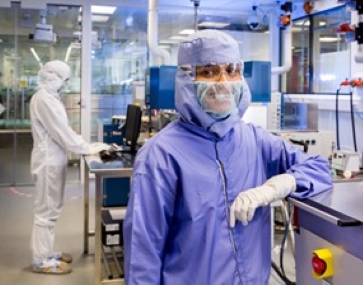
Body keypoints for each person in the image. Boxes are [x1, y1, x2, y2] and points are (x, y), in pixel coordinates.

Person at [123, 30, 332, 284]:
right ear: (188, 77)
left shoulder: (255, 140)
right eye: (209, 72)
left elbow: (319, 168)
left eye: (232, 70)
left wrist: (278, 186)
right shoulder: (160, 156)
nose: (223, 82)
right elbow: (142, 257)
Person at [30, 60, 110, 274]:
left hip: (54, 160)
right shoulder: (44, 100)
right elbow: (63, 134)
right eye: (64, 80)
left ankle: (47, 252)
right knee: (46, 211)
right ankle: (40, 260)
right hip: (48, 162)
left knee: (52, 209)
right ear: (53, 77)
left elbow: (64, 130)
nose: (65, 85)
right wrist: (88, 148)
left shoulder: (49, 98)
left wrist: (87, 146)